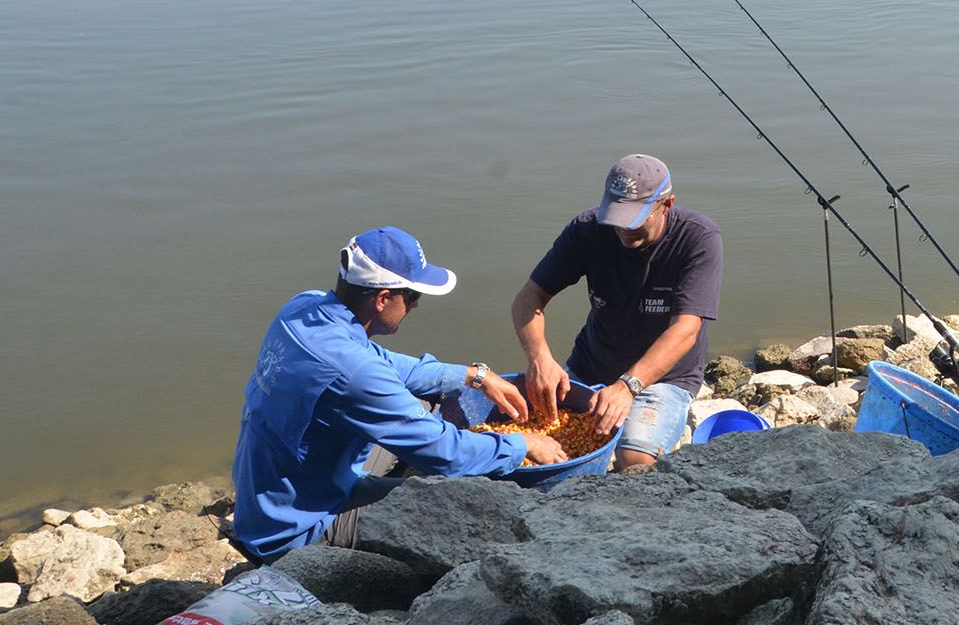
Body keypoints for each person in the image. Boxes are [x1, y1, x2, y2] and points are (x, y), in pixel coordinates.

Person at [231, 226, 567, 560]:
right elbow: (447, 454)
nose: (416, 307)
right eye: (412, 297)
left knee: (426, 398)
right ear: (382, 299)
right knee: (457, 500)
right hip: (297, 527)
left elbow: (390, 367)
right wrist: (524, 444)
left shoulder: (303, 307)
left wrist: (475, 376)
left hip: (274, 493)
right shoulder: (355, 372)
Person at [509, 154, 723, 469]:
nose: (624, 230)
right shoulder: (587, 229)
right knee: (536, 440)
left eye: (636, 219)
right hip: (590, 365)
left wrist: (628, 386)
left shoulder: (698, 238)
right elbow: (528, 299)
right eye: (617, 218)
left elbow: (685, 329)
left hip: (662, 378)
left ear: (667, 204)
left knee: (633, 460)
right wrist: (539, 358)